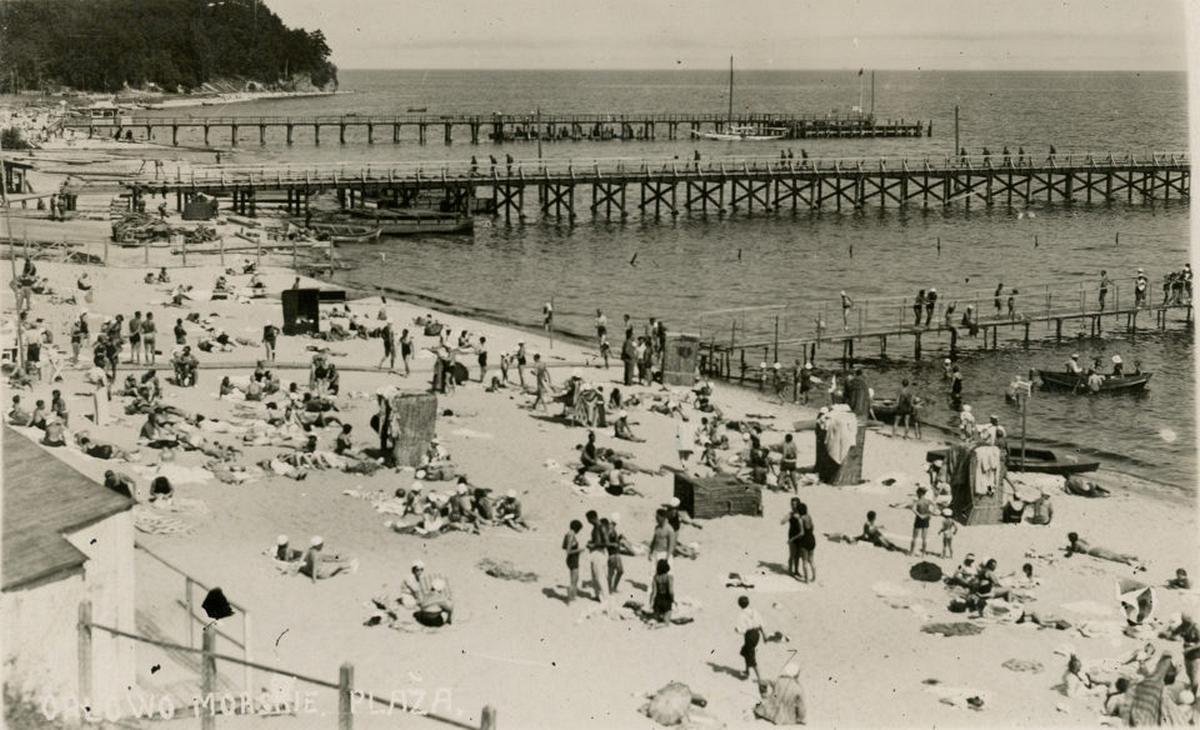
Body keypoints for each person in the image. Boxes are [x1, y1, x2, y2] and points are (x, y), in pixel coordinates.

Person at [735, 595, 765, 685]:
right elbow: (761, 624)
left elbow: (742, 630)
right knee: (745, 652)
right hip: (757, 634)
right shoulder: (754, 611)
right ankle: (747, 671)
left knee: (751, 657)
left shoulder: (741, 615)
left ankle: (760, 680)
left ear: (739, 605)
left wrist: (737, 630)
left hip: (749, 636)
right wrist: (764, 635)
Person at [1065, 532, 1141, 566]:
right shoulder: (1080, 540)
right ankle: (1132, 557)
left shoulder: (1075, 544)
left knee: (1111, 557)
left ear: (1071, 539)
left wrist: (1068, 550)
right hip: (1095, 547)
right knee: (1114, 554)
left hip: (1092, 552)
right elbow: (1087, 544)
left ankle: (1126, 561)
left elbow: (1074, 551)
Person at [647, 509, 676, 600]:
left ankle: (669, 591)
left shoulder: (669, 529)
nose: (656, 518)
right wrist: (650, 552)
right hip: (656, 552)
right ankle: (651, 590)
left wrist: (667, 558)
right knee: (652, 572)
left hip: (664, 553)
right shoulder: (657, 528)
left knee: (668, 574)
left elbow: (671, 545)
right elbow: (654, 540)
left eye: (657, 517)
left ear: (663, 517)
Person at [585, 510, 610, 604]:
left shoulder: (601, 527)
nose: (588, 521)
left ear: (592, 518)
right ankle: (598, 596)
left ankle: (605, 598)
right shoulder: (595, 527)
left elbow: (606, 543)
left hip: (599, 553)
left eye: (588, 519)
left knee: (600, 576)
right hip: (595, 552)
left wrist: (594, 545)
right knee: (595, 576)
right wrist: (591, 543)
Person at [562, 519, 584, 603]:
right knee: (574, 579)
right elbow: (568, 551)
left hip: (571, 559)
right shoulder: (571, 535)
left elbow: (564, 547)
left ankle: (572, 596)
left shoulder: (568, 534)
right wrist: (579, 550)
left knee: (575, 578)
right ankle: (570, 598)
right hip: (573, 559)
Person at [648, 559, 674, 624]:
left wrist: (651, 603)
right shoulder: (669, 577)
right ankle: (657, 626)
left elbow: (654, 592)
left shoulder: (655, 577)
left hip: (658, 601)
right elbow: (671, 591)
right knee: (666, 622)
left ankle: (653, 623)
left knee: (655, 619)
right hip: (666, 601)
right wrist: (673, 600)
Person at [796, 502, 816, 583]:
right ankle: (814, 577)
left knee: (804, 561)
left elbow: (801, 533)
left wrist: (794, 538)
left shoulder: (800, 519)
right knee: (811, 560)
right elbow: (813, 527)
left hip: (804, 541)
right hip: (812, 538)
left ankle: (807, 580)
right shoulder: (809, 516)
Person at [606, 513, 625, 594]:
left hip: (616, 553)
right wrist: (615, 543)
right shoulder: (610, 529)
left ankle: (613, 588)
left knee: (619, 571)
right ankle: (610, 589)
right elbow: (607, 542)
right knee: (612, 572)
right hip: (613, 553)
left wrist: (619, 538)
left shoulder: (612, 528)